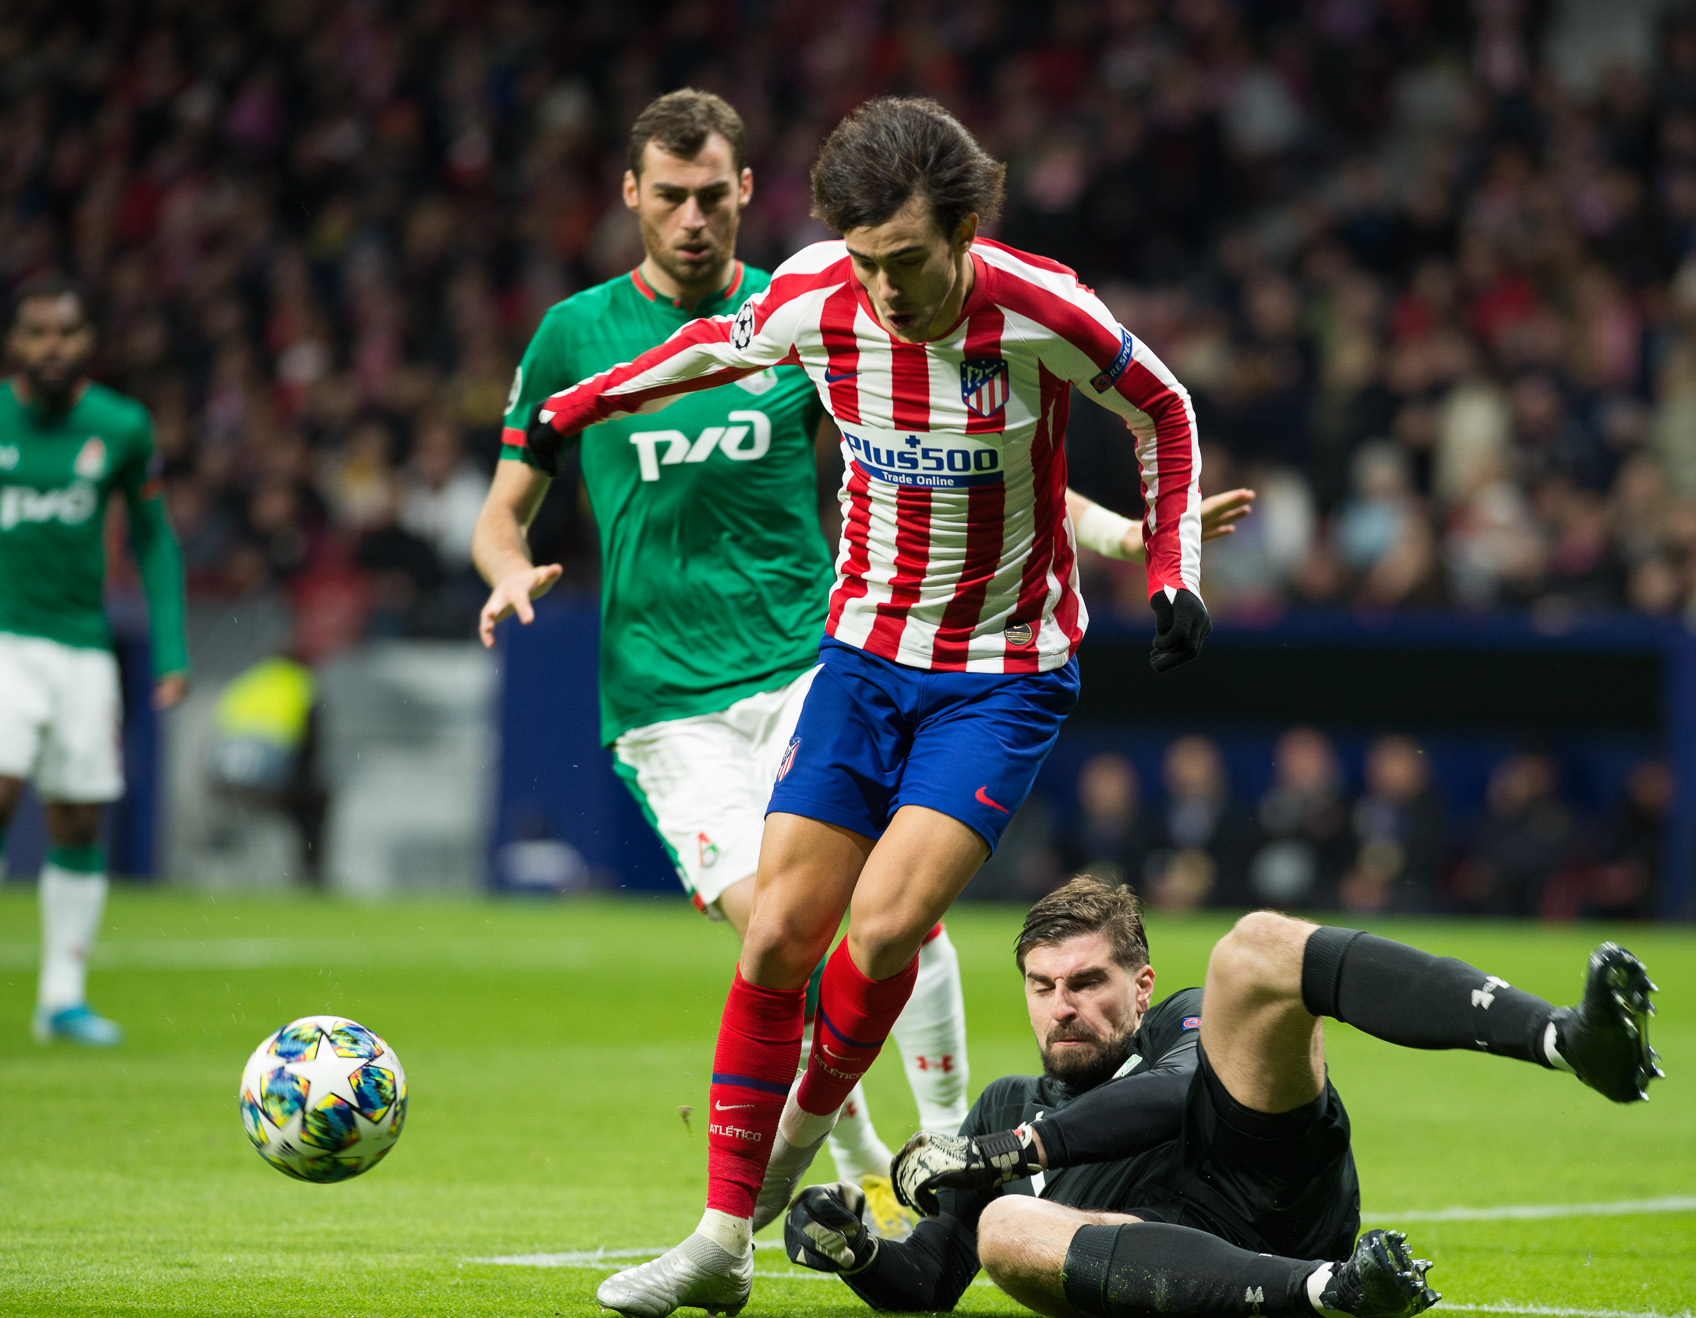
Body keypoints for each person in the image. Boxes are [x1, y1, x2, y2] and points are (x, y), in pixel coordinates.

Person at [474, 91, 1249, 1258]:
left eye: (908, 261)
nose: (888, 290)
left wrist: (1169, 565)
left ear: (964, 229)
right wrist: (570, 410)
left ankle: (861, 1159)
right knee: (783, 932)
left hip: (994, 668)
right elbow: (690, 358)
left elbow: (1166, 412)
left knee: (886, 928)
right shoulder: (811, 296)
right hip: (844, 659)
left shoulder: (1039, 308)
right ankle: (727, 1231)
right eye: (867, 261)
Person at [784, 877, 1662, 1318]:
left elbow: (1176, 1097)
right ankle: (1327, 1295)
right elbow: (932, 1280)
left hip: (1264, 1184)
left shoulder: (1177, 1025)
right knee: (1003, 1229)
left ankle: (1564, 1039)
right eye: (1044, 985)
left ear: (1140, 984)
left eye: (1090, 981)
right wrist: (854, 1250)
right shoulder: (1006, 1105)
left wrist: (1012, 1152)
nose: (1066, 1004)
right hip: (1185, 1268)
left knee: (1255, 947)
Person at [0, 276, 189, 1045]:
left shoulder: (121, 425)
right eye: (38, 332)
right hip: (4, 637)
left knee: (78, 815)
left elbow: (152, 535)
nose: (52, 347)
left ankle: (61, 998)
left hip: (82, 646)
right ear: (16, 340)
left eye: (67, 334)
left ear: (88, 343)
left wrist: (170, 647)